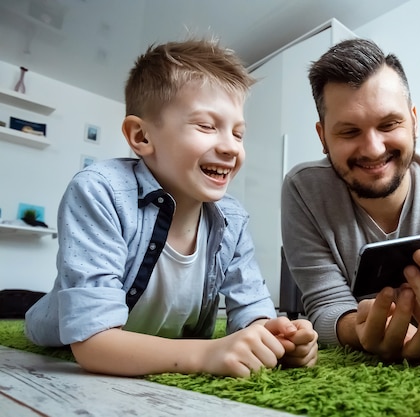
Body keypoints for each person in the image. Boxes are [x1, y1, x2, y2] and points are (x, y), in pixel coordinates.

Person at [25, 38, 318, 378]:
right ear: (141, 136)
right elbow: (92, 343)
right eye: (207, 126)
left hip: (165, 335)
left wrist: (276, 336)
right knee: (40, 324)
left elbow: (252, 309)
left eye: (238, 134)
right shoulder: (99, 190)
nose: (230, 147)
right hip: (57, 333)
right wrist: (206, 354)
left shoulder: (232, 219)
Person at [281, 38, 420, 364]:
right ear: (323, 138)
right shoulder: (302, 190)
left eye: (389, 124)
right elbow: (326, 304)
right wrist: (357, 331)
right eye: (349, 132)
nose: (372, 149)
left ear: (414, 121)